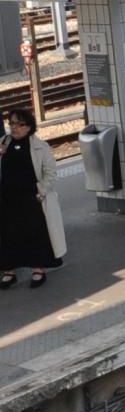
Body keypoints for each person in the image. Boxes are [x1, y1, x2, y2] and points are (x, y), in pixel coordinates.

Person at [0, 106, 66, 289]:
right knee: (8, 235)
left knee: (34, 233)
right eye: (11, 123)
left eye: (19, 124)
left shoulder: (39, 146)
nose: (14, 128)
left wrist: (41, 192)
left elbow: (50, 173)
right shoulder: (3, 143)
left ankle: (38, 269)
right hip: (7, 199)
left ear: (29, 126)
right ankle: (9, 271)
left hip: (31, 198)